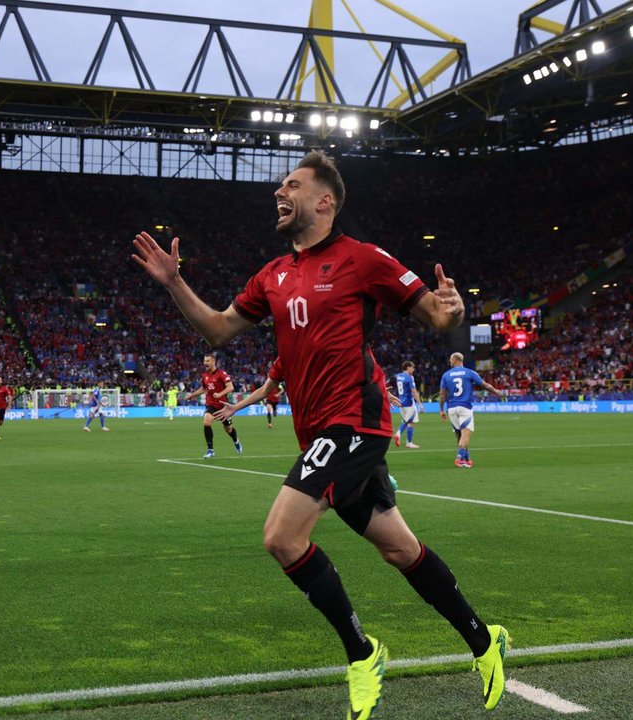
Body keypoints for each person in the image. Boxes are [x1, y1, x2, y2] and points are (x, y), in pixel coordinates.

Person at [132, 150, 508, 718]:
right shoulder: (274, 275)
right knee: (399, 549)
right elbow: (217, 328)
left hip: (355, 420)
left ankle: (362, 654)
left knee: (281, 537)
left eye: (292, 185)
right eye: (280, 187)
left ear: (324, 201)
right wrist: (173, 282)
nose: (278, 193)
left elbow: (436, 315)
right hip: (319, 436)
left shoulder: (362, 259)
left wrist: (454, 310)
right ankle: (486, 640)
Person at [438, 353, 504, 468]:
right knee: (465, 435)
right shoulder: (469, 372)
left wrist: (441, 410)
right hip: (465, 407)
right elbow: (484, 385)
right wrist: (496, 391)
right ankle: (459, 458)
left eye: (450, 360)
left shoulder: (446, 375)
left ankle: (466, 457)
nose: (450, 361)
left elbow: (442, 393)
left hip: (452, 408)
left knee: (459, 434)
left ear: (454, 360)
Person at [184, 354, 242, 458]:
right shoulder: (204, 375)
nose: (205, 363)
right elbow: (203, 389)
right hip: (211, 404)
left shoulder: (221, 374)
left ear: (213, 362)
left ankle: (236, 440)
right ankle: (210, 450)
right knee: (207, 422)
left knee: (228, 429)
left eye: (207, 361)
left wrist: (220, 394)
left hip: (223, 406)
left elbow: (230, 387)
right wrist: (191, 395)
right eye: (204, 361)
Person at [214, 357, 285, 426]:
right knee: (269, 409)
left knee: (274, 410)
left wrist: (278, 394)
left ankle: (275, 411)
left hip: (276, 400)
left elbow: (281, 389)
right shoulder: (281, 361)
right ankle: (270, 423)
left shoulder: (279, 384)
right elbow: (264, 390)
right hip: (269, 399)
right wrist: (235, 407)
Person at [392, 360, 423, 449]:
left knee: (407, 420)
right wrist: (420, 404)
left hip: (401, 401)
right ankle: (405, 440)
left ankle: (406, 440)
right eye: (412, 367)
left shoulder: (398, 376)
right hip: (409, 403)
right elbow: (414, 391)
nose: (413, 370)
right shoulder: (409, 377)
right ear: (408, 367)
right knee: (410, 422)